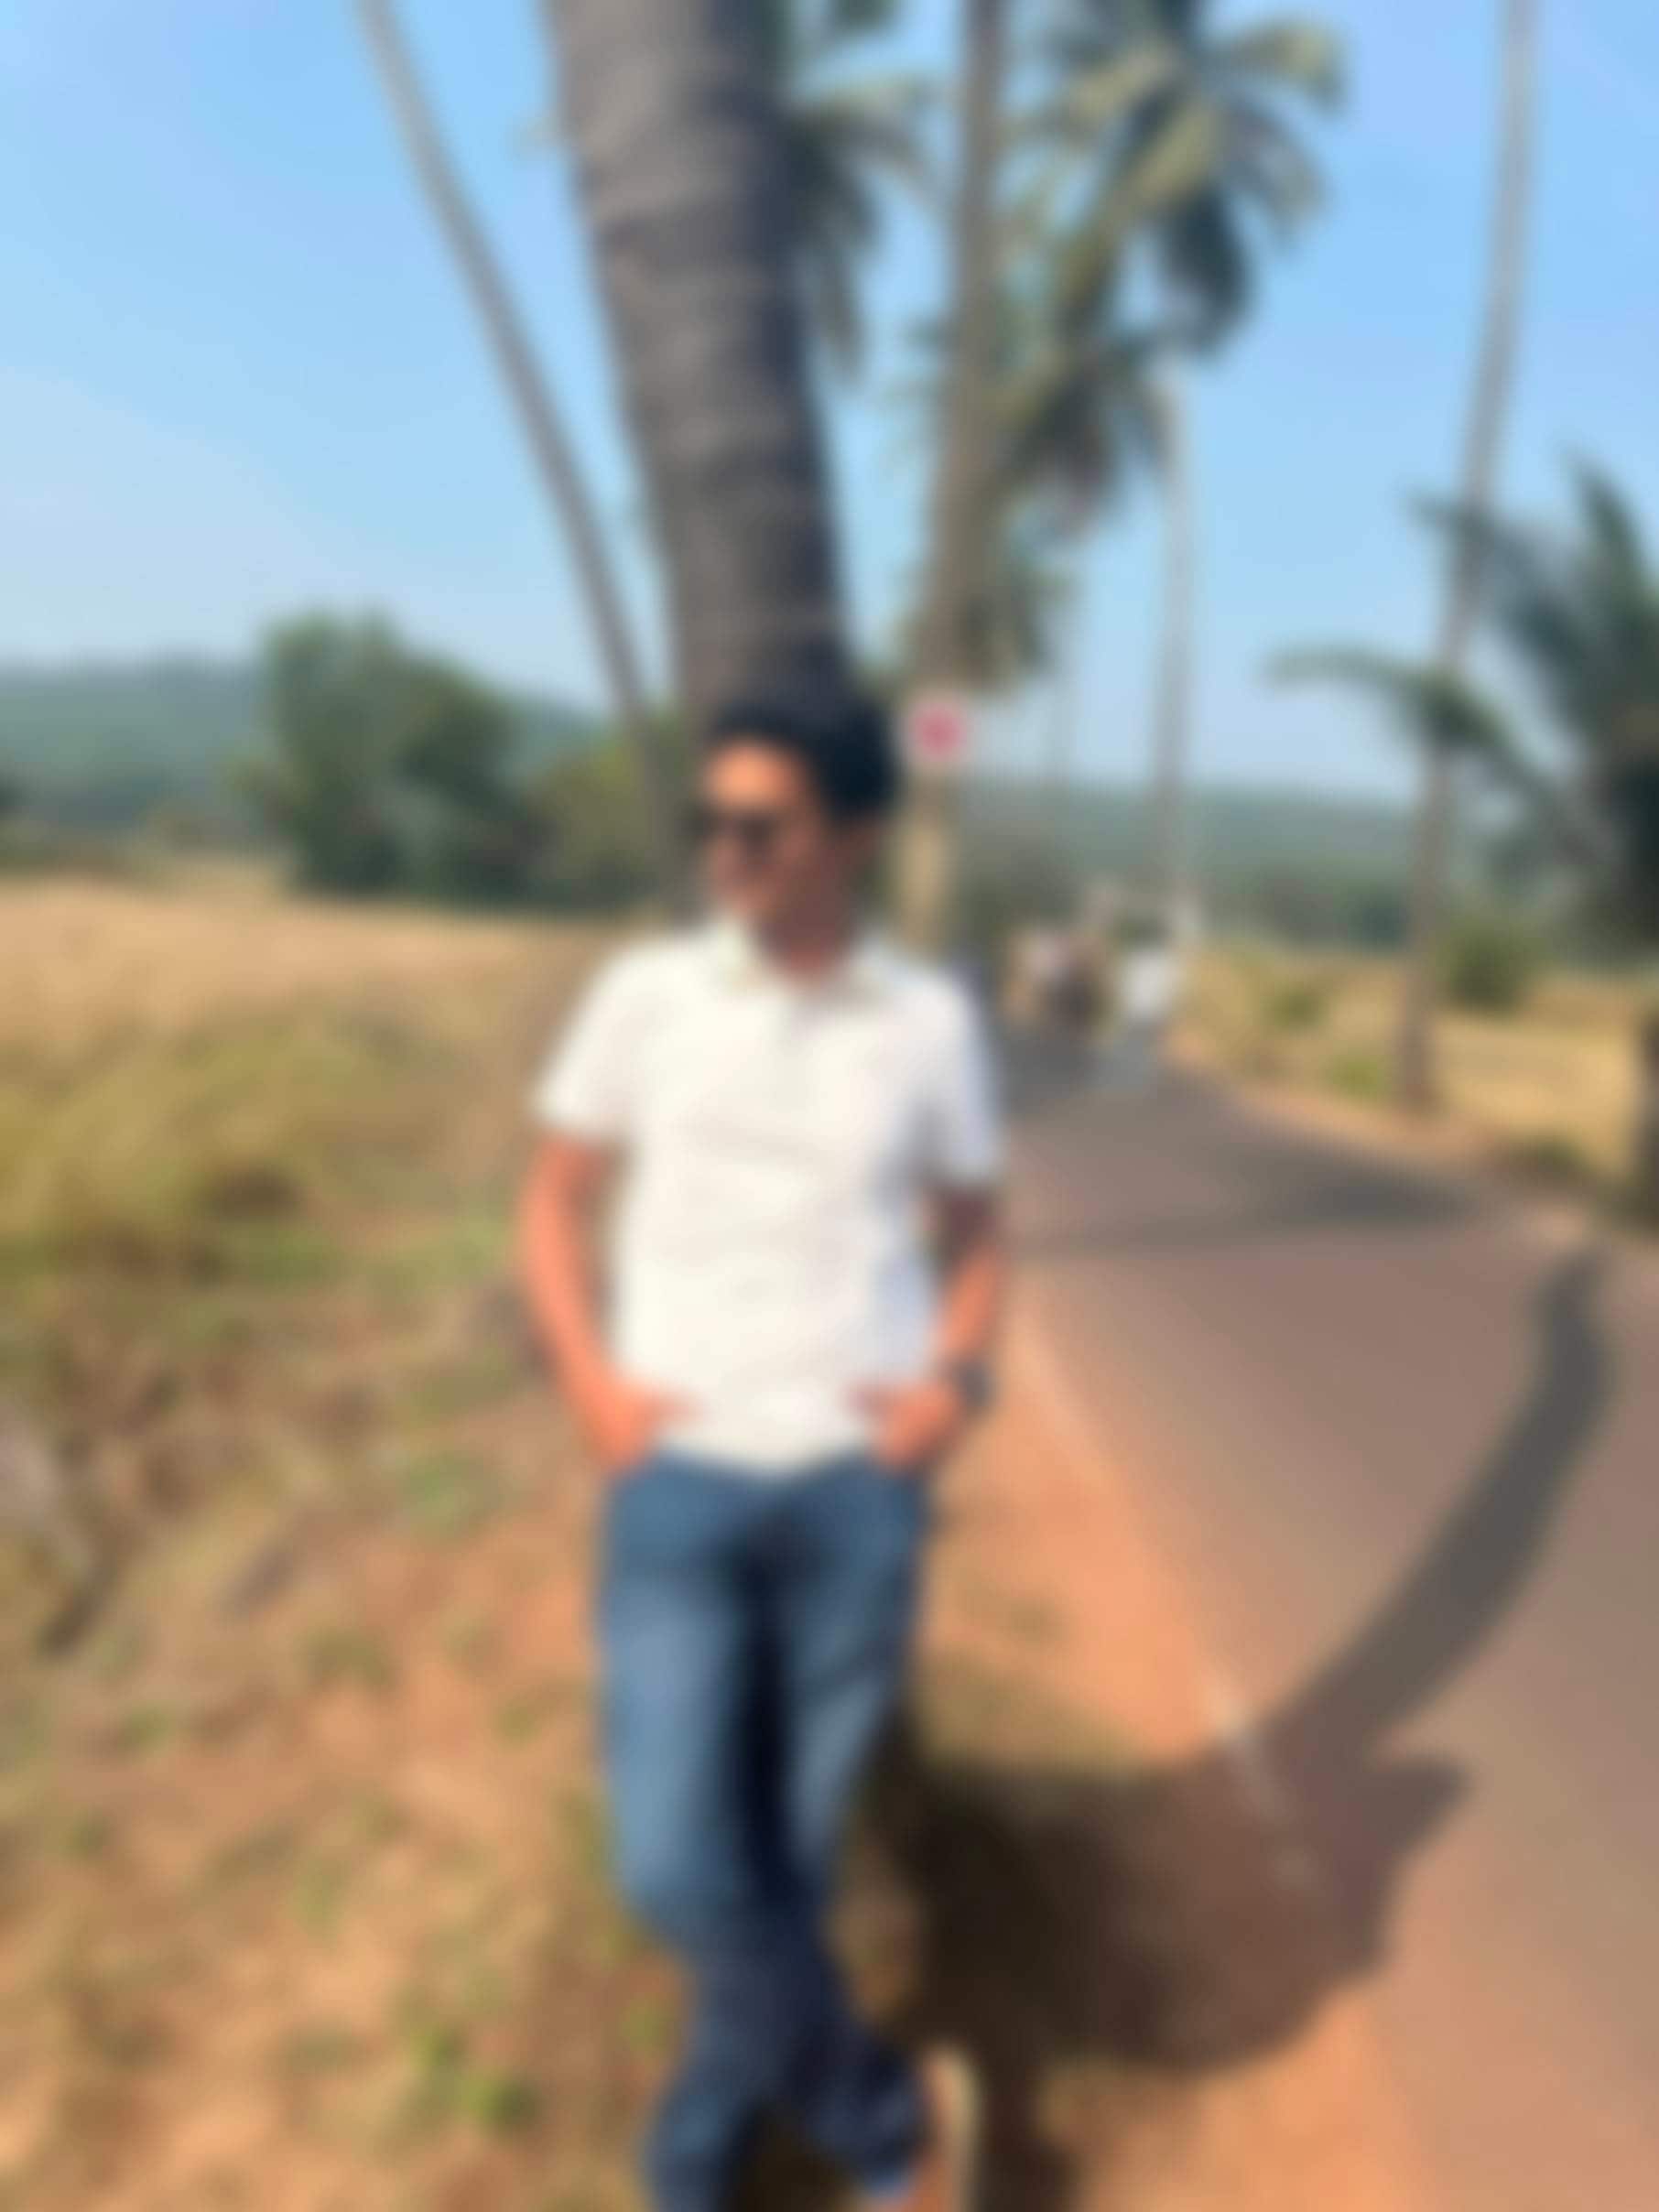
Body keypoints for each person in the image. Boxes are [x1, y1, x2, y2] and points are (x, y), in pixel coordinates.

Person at [520, 691, 1006, 2212]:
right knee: (673, 1865)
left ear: (854, 837)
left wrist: (952, 1387)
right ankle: (892, 2129)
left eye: (760, 824)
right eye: (710, 820)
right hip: (678, 1486)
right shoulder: (645, 995)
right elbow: (552, 1199)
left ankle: (693, 2171)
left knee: (785, 1874)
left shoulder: (927, 1022)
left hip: (857, 1498)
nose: (722, 850)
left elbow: (978, 1228)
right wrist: (591, 1383)